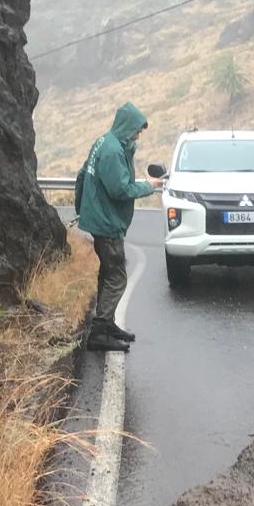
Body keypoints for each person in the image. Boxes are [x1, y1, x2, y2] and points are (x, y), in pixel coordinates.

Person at [75, 102, 163, 353]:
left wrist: (82, 208)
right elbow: (120, 189)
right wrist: (149, 186)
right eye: (136, 130)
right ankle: (100, 332)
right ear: (127, 126)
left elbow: (83, 174)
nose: (138, 135)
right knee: (117, 277)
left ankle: (108, 323)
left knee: (107, 272)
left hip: (98, 218)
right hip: (106, 222)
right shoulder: (113, 151)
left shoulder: (104, 142)